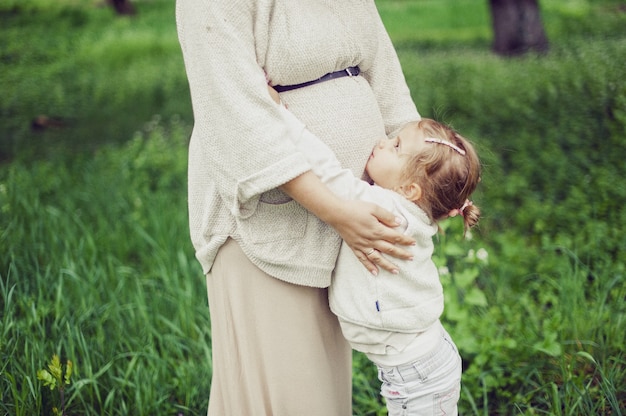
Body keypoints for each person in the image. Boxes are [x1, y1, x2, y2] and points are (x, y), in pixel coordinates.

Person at [176, 1, 423, 415]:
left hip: (345, 226)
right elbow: (234, 110)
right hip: (268, 225)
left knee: (323, 393)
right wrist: (337, 211)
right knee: (286, 394)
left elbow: (386, 77)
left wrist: (430, 174)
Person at [269, 92, 481, 415]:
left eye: (395, 146)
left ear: (410, 190)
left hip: (416, 374)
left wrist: (282, 115)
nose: (383, 142)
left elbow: (328, 173)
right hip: (423, 363)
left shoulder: (386, 212)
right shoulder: (410, 213)